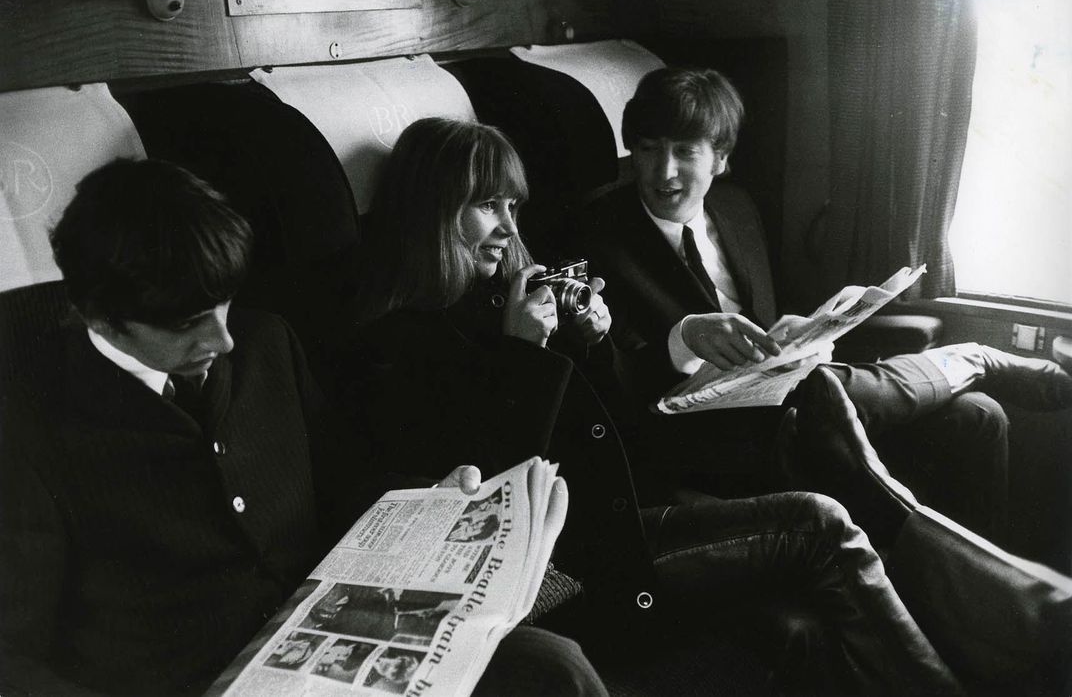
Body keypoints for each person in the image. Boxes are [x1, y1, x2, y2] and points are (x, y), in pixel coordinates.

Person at [339, 116, 990, 695]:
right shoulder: (393, 347)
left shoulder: (499, 304)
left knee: (833, 512)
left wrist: (593, 345)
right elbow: (486, 499)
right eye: (487, 206)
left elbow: (626, 436)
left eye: (512, 205)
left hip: (623, 515)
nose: (510, 229)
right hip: (571, 559)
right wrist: (525, 355)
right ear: (433, 212)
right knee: (818, 524)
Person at [0, 158, 608, 697]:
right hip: (193, 680)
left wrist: (432, 499)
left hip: (334, 634)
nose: (224, 338)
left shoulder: (267, 345)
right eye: (188, 322)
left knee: (553, 667)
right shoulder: (30, 431)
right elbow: (16, 657)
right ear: (99, 316)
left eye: (224, 304)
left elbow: (343, 481)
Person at [578, 66, 1072, 538]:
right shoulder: (598, 233)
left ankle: (975, 608)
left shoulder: (737, 209)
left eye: (685, 151)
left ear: (721, 159)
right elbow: (609, 376)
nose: (664, 171)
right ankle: (969, 359)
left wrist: (803, 332)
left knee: (980, 416)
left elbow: (767, 318)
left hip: (781, 398)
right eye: (647, 149)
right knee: (822, 397)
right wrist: (683, 338)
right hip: (709, 434)